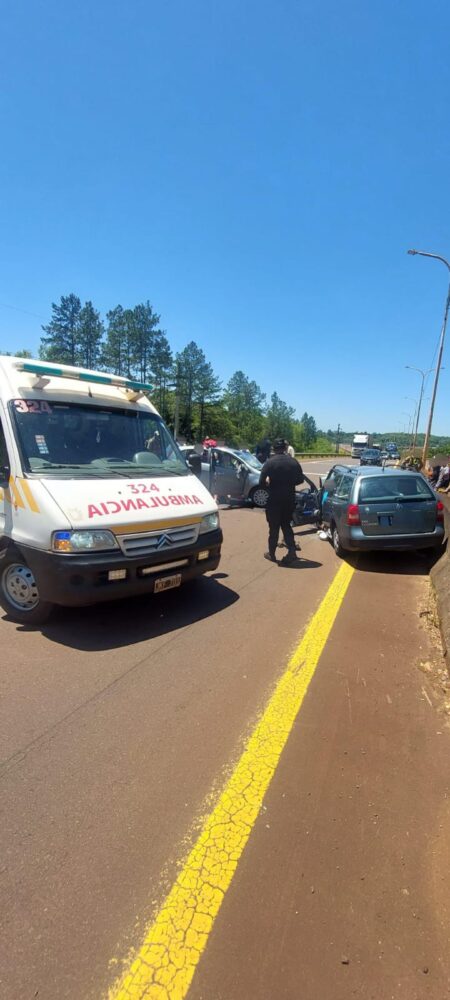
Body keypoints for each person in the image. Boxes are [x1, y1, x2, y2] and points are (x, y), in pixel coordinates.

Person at [259, 438, 304, 565]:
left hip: (274, 500)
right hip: (288, 499)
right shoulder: (293, 462)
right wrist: (289, 483)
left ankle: (272, 554)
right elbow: (300, 480)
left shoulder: (269, 463)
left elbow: (261, 483)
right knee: (286, 525)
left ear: (274, 449)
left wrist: (269, 485)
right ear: (285, 448)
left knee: (273, 528)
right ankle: (292, 552)